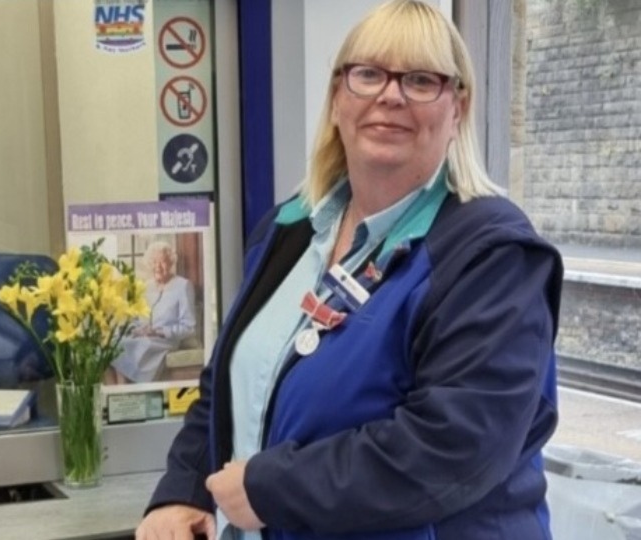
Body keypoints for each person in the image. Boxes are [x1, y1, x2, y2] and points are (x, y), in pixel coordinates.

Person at [136, 1, 563, 539]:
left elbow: (451, 449)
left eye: (421, 79)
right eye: (368, 74)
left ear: (458, 108)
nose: (391, 95)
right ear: (337, 98)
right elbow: (228, 380)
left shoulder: (494, 257)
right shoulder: (288, 230)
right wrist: (183, 488)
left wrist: (272, 488)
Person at [107, 240, 197, 384]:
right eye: (154, 262)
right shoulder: (146, 287)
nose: (158, 267)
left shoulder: (183, 285)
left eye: (163, 262)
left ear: (171, 263)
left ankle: (123, 393)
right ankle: (120, 394)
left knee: (129, 347)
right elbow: (135, 320)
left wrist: (160, 331)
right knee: (112, 345)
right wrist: (137, 330)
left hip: (164, 341)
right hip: (142, 338)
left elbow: (189, 326)